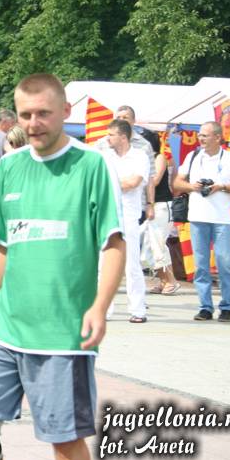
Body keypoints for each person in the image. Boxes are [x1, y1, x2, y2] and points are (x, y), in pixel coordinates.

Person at [0, 74, 124, 460]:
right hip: (6, 329)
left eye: (44, 114)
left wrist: (99, 308)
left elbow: (114, 243)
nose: (33, 123)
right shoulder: (10, 166)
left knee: (64, 441)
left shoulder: (93, 165)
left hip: (62, 336)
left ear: (65, 111)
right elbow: (2, 247)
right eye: (25, 115)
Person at [173, 121, 230, 322]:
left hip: (221, 218)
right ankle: (205, 306)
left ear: (217, 137)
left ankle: (227, 306)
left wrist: (221, 187)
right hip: (197, 217)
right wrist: (192, 186)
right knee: (201, 265)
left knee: (224, 262)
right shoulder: (193, 156)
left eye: (205, 135)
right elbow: (177, 182)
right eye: (200, 135)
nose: (201, 139)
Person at [103, 119, 150, 323]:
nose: (107, 138)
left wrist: (110, 184)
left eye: (111, 135)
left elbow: (134, 182)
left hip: (129, 215)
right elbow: (98, 182)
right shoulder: (105, 157)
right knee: (103, 264)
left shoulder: (139, 156)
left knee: (132, 264)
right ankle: (104, 309)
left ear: (123, 137)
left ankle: (138, 310)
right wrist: (116, 183)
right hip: (107, 214)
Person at [95, 106, 156, 220]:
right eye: (118, 117)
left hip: (136, 205)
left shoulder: (144, 145)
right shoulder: (102, 143)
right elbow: (95, 176)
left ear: (133, 121)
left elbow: (150, 178)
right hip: (107, 205)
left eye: (125, 117)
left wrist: (150, 204)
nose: (121, 120)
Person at [141, 130, 181, 294]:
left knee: (158, 245)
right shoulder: (142, 160)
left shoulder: (159, 158)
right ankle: (164, 280)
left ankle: (171, 281)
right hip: (150, 206)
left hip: (162, 206)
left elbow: (155, 180)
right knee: (148, 249)